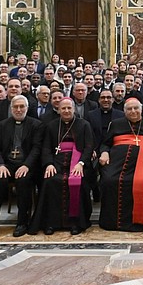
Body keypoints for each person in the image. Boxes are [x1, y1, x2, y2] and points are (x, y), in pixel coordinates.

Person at [97, 99, 143, 231]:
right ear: (124, 111)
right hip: (118, 162)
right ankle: (112, 221)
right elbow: (106, 143)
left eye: (135, 108)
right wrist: (104, 152)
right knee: (109, 180)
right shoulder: (116, 124)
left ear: (141, 110)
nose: (133, 111)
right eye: (129, 109)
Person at [35, 99, 95, 235]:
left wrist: (81, 163)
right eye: (63, 108)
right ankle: (51, 222)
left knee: (79, 182)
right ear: (58, 110)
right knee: (50, 181)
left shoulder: (84, 125)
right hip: (57, 162)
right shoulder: (51, 126)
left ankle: (76, 223)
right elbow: (46, 148)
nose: (66, 111)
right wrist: (48, 164)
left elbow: (89, 147)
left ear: (74, 109)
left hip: (78, 162)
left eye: (69, 108)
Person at [0, 95, 43, 237]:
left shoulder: (36, 124)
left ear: (27, 108)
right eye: (16, 107)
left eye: (22, 107)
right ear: (11, 108)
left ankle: (22, 222)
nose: (19, 110)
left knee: (23, 181)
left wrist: (26, 165)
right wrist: (0, 165)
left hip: (26, 165)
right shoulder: (3, 124)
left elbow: (37, 148)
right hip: (7, 164)